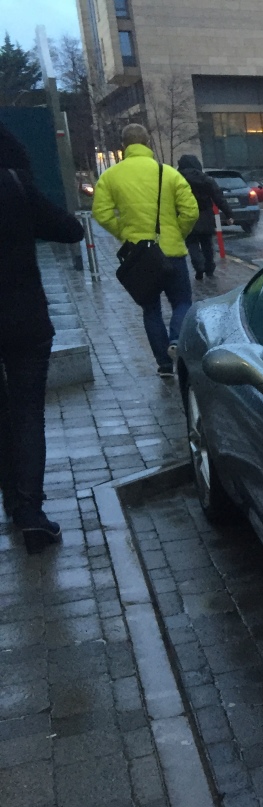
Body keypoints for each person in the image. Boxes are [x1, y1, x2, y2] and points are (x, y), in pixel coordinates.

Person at [0, 122, 85, 553]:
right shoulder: (13, 183)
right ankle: (31, 515)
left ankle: (12, 501)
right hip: (24, 318)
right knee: (29, 412)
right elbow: (69, 229)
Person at [92, 124, 198, 378]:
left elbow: (102, 213)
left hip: (138, 256)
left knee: (151, 310)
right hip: (171, 252)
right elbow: (191, 211)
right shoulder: (168, 173)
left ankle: (163, 365)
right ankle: (175, 340)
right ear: (148, 142)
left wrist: (124, 233)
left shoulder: (110, 176)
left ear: (123, 146)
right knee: (182, 302)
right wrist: (177, 233)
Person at [176, 154, 229, 282]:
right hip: (206, 216)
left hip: (187, 216)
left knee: (192, 243)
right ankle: (209, 268)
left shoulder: (177, 179)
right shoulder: (206, 179)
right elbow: (218, 198)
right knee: (207, 244)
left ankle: (198, 266)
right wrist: (229, 214)